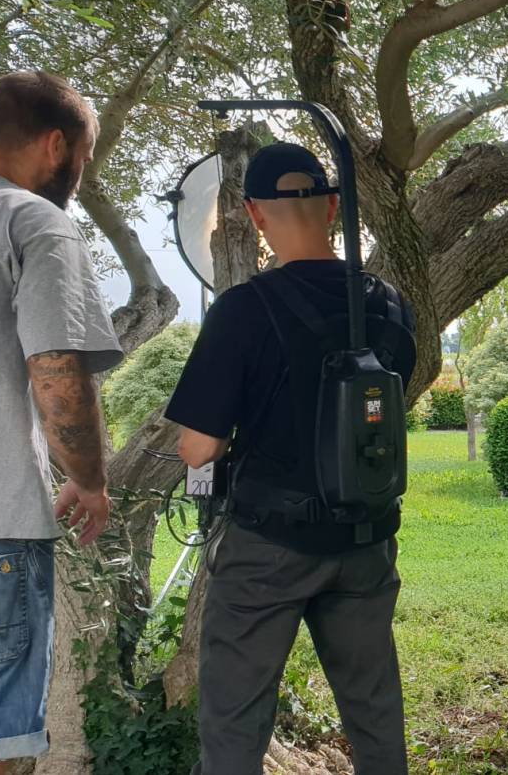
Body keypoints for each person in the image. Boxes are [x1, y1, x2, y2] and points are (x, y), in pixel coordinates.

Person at [166, 142, 416, 774]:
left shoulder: (243, 310)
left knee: (234, 724)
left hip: (267, 549)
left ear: (254, 215)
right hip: (365, 542)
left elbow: (200, 446)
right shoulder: (391, 306)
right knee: (375, 713)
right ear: (332, 207)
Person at [0, 71, 122, 774]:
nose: (80, 174)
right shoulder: (32, 220)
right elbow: (58, 375)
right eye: (85, 157)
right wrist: (90, 481)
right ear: (56, 145)